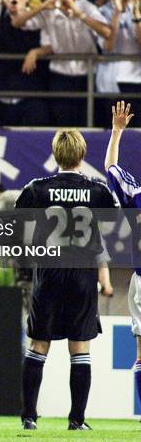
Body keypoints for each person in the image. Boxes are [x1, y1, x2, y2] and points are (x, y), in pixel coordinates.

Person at [15, 129, 117, 431]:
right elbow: (109, 231)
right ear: (82, 155)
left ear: (56, 154)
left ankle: (29, 417)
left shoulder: (36, 188)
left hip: (48, 272)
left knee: (38, 344)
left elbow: (18, 228)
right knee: (80, 347)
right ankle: (77, 421)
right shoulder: (98, 191)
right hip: (83, 275)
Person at [12, 0, 111, 127]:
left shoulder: (86, 7)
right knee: (63, 124)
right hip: (60, 75)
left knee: (87, 123)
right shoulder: (49, 11)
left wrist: (79, 14)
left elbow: (106, 32)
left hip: (87, 74)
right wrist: (44, 5)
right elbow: (18, 23)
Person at [104, 100, 141, 414]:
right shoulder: (135, 193)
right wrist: (116, 132)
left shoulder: (135, 193)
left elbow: (111, 170)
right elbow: (111, 171)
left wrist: (117, 133)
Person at [97, 0, 141, 127]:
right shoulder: (103, 12)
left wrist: (136, 14)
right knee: (114, 134)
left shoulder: (140, 9)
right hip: (111, 82)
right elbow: (107, 47)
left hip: (137, 81)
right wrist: (117, 11)